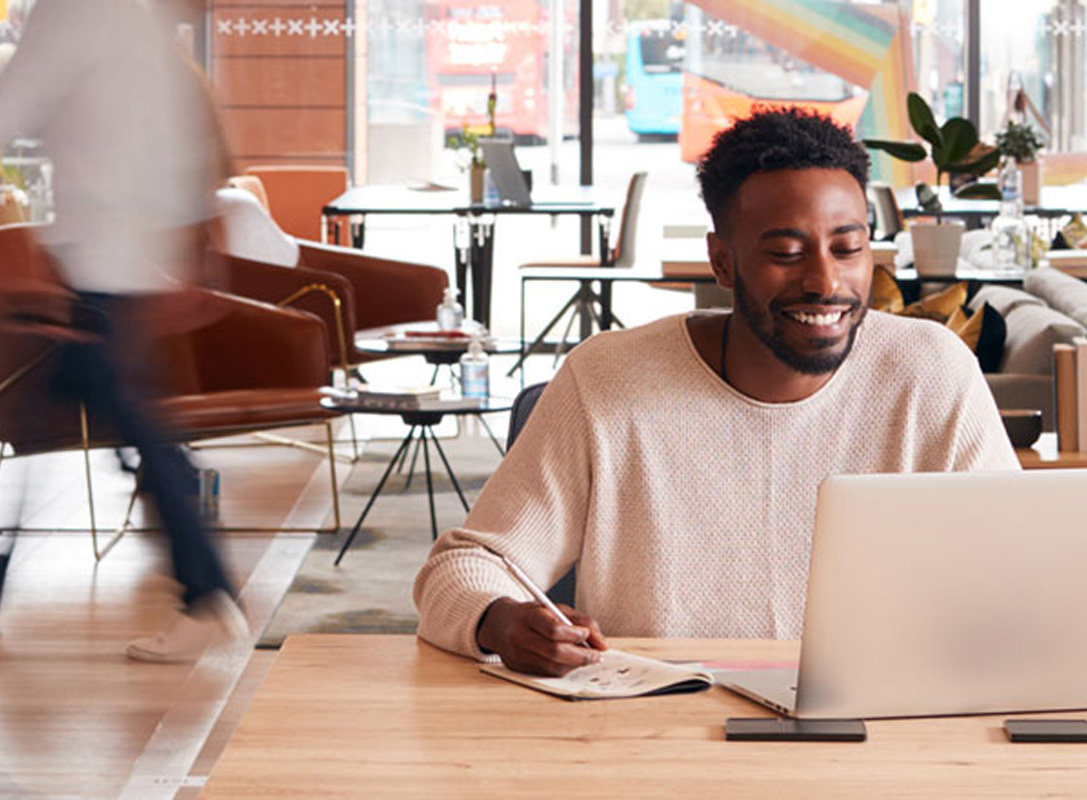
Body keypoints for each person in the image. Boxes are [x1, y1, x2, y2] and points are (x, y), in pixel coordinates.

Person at [413, 108, 1019, 676]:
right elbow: (461, 570)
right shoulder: (607, 382)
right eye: (786, 252)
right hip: (656, 736)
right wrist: (499, 622)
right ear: (722, 261)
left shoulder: (931, 372)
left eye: (848, 248)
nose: (825, 281)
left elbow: (1023, 567)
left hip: (882, 730)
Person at [0, 0, 249, 662]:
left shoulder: (70, 11)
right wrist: (190, 254)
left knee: (69, 418)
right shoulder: (137, 19)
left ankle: (205, 591)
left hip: (90, 263)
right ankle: (205, 591)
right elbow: (181, 141)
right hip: (123, 262)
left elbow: (10, 109)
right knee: (107, 419)